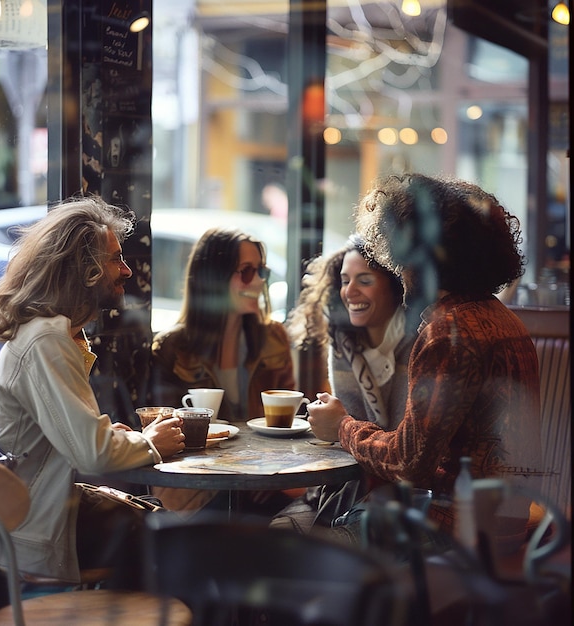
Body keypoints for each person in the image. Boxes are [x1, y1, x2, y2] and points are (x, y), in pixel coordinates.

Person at [308, 173, 543, 538]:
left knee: (303, 545)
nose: (401, 274)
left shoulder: (447, 332)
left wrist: (341, 426)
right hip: (507, 522)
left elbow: (409, 463)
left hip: (451, 529)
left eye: (402, 261)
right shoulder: (505, 320)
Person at [0, 195, 186, 586]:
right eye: (114, 259)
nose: (126, 270)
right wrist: (152, 442)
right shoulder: (46, 341)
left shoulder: (49, 334)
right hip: (33, 533)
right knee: (180, 541)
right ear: (82, 269)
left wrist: (120, 438)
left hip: (25, 520)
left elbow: (75, 440)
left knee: (160, 521)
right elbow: (92, 454)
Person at [271, 234, 416, 532]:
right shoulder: (343, 345)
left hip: (406, 493)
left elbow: (404, 446)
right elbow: (347, 439)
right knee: (277, 533)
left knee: (304, 544)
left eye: (364, 280)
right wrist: (330, 423)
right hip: (350, 483)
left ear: (395, 286)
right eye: (345, 280)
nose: (350, 291)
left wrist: (341, 424)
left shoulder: (419, 343)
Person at [150, 226, 296, 516]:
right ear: (213, 278)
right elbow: (165, 434)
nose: (257, 282)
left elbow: (290, 426)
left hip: (263, 481)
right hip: (197, 486)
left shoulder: (273, 339)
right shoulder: (173, 348)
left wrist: (264, 468)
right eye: (245, 271)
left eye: (261, 272)